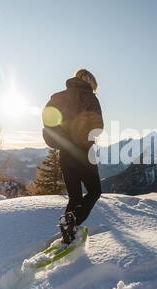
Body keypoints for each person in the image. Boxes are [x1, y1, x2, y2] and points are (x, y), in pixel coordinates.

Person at [42, 69, 103, 244]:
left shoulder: (57, 97)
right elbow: (98, 126)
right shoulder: (90, 98)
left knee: (74, 197)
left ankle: (68, 233)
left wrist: (63, 139)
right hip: (83, 152)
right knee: (94, 191)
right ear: (90, 83)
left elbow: (47, 121)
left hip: (65, 152)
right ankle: (72, 222)